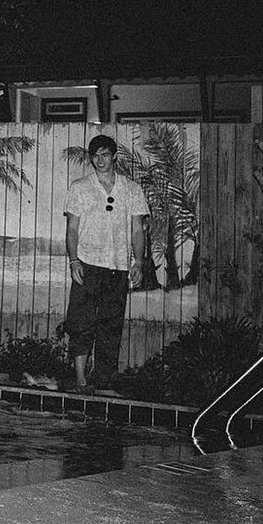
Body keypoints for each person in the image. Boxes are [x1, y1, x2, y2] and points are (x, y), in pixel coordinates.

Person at [64, 134, 149, 394]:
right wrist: (74, 260)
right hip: (88, 264)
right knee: (81, 322)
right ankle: (80, 377)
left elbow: (137, 230)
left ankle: (103, 380)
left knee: (111, 324)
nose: (99, 160)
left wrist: (138, 262)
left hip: (118, 267)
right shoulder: (79, 187)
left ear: (114, 156)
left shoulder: (132, 189)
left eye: (104, 155)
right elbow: (72, 228)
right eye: (95, 156)